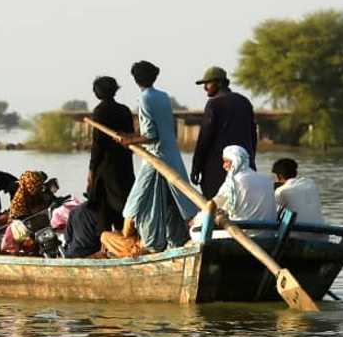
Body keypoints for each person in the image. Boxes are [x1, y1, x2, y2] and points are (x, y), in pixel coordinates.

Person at [117, 61, 200, 252]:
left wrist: (129, 142)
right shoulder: (163, 96)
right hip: (172, 155)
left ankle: (125, 237)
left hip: (156, 157)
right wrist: (131, 137)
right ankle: (175, 241)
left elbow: (152, 135)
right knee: (177, 200)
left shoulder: (144, 99)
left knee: (135, 200)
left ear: (136, 80)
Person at [190, 66, 258, 199]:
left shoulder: (214, 104)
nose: (205, 88)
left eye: (208, 83)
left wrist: (196, 168)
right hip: (245, 167)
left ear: (219, 83)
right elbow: (253, 135)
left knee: (217, 205)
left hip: (218, 168)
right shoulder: (244, 102)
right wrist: (251, 160)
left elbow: (204, 139)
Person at [190, 145, 276, 239]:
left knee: (194, 230)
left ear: (236, 161)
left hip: (241, 236)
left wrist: (195, 220)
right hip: (267, 235)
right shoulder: (267, 181)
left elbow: (213, 206)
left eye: (227, 162)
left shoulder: (233, 183)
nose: (224, 166)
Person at [86, 76, 135, 232]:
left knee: (104, 211)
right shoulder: (125, 110)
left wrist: (91, 171)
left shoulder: (100, 112)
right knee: (124, 207)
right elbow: (131, 137)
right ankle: (125, 240)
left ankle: (106, 246)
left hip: (106, 170)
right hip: (124, 167)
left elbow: (97, 145)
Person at [272, 157, 327, 240]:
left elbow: (273, 216)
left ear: (279, 176)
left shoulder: (281, 191)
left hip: (298, 237)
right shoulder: (310, 183)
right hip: (322, 237)